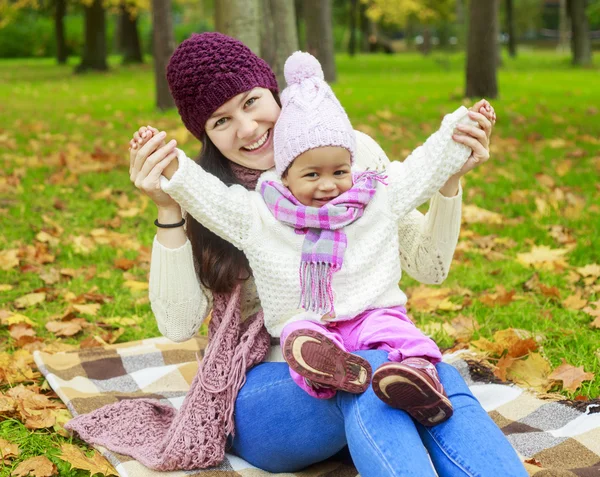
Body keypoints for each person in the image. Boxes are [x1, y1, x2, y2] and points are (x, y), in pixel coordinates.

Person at [127, 32, 524, 476]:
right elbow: (178, 324)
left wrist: (448, 178)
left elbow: (428, 266)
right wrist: (169, 210)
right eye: (220, 121)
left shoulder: (350, 154)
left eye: (251, 101)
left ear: (274, 91)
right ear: (205, 135)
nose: (247, 128)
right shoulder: (216, 198)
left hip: (364, 355)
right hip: (267, 391)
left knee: (427, 372)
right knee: (375, 370)